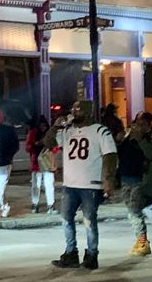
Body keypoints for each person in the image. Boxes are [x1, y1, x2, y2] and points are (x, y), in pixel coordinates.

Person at [45, 99, 117, 270]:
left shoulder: (100, 131)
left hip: (90, 184)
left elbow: (110, 155)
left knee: (89, 221)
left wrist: (108, 180)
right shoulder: (68, 131)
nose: (74, 112)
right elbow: (49, 143)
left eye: (78, 110)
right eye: (73, 109)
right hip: (70, 184)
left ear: (88, 111)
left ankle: (92, 255)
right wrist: (56, 127)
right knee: (65, 218)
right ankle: (71, 253)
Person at [117, 111, 152, 256]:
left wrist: (138, 139)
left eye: (142, 125)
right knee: (132, 212)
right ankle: (141, 240)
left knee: (134, 211)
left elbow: (150, 155)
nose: (138, 127)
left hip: (141, 181)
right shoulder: (128, 140)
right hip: (126, 179)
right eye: (136, 124)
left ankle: (143, 241)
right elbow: (120, 154)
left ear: (149, 127)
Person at [28, 116, 57, 214]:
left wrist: (34, 147)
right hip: (46, 162)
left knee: (37, 185)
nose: (42, 127)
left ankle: (36, 204)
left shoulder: (33, 133)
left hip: (37, 162)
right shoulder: (49, 133)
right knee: (47, 185)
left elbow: (28, 147)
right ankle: (50, 205)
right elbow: (56, 148)